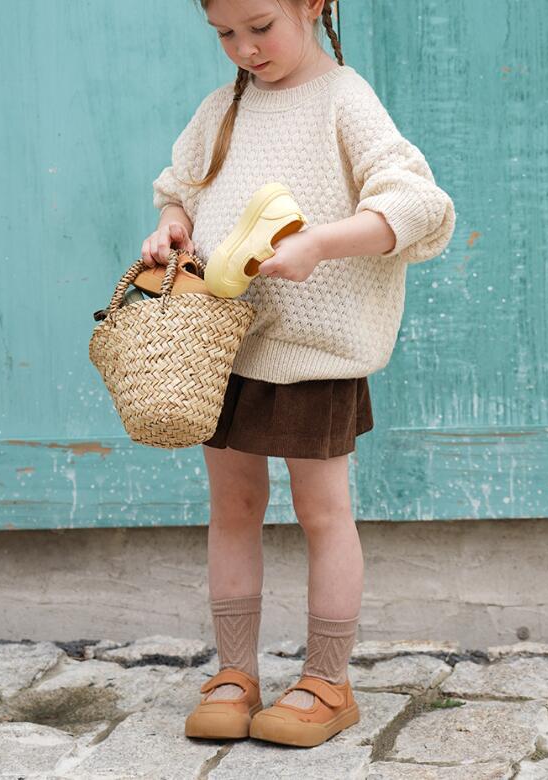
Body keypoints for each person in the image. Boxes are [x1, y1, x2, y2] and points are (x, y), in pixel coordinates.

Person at [140, 0, 456, 747]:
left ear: (313, 5)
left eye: (260, 26)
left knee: (323, 512)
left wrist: (320, 243)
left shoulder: (344, 99)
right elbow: (180, 190)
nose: (244, 48)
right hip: (219, 350)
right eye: (225, 33)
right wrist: (171, 227)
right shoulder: (221, 109)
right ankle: (234, 673)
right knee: (233, 507)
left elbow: (418, 204)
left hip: (313, 355)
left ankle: (327, 680)